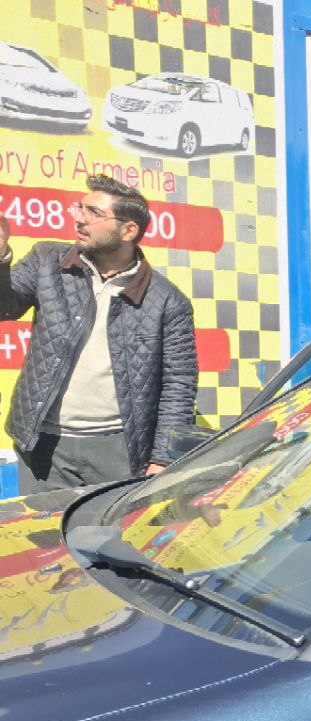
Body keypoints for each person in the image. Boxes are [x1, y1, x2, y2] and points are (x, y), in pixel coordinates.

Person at [0, 175, 196, 493]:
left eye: (93, 212)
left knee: (111, 527)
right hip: (44, 445)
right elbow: (4, 307)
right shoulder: (47, 261)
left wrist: (163, 457)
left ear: (128, 230)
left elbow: (179, 385)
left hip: (120, 450)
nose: (79, 218)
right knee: (47, 528)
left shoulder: (168, 302)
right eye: (80, 208)